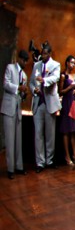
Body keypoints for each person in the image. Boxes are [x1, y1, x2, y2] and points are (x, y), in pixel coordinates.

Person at [30, 43, 61, 172]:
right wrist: (34, 90)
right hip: (38, 103)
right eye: (42, 53)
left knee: (50, 133)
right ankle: (40, 162)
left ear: (49, 54)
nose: (42, 56)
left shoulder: (55, 65)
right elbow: (31, 82)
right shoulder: (36, 65)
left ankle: (50, 160)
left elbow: (56, 77)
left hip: (50, 102)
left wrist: (44, 80)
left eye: (45, 54)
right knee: (38, 133)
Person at [3, 50, 30, 179]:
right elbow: (6, 84)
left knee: (18, 140)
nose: (25, 62)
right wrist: (18, 88)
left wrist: (24, 94)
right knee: (9, 139)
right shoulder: (10, 68)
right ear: (19, 59)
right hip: (8, 108)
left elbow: (22, 95)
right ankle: (10, 169)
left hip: (18, 109)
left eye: (26, 60)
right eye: (23, 60)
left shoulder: (24, 75)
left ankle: (19, 166)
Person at [58, 55, 75, 166]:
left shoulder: (74, 75)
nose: (72, 65)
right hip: (66, 102)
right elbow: (60, 92)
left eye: (74, 63)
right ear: (67, 62)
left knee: (74, 131)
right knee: (66, 130)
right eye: (72, 62)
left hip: (74, 103)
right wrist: (70, 88)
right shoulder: (64, 75)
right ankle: (67, 156)